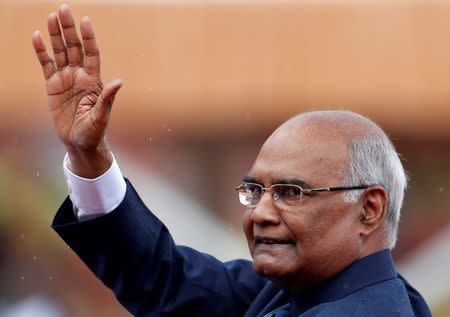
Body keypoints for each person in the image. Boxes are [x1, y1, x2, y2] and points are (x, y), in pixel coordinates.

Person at [32, 4, 432, 317]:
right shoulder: (292, 290)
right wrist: (89, 155)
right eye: (255, 191)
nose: (261, 213)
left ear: (369, 209)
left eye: (290, 192)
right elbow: (164, 279)